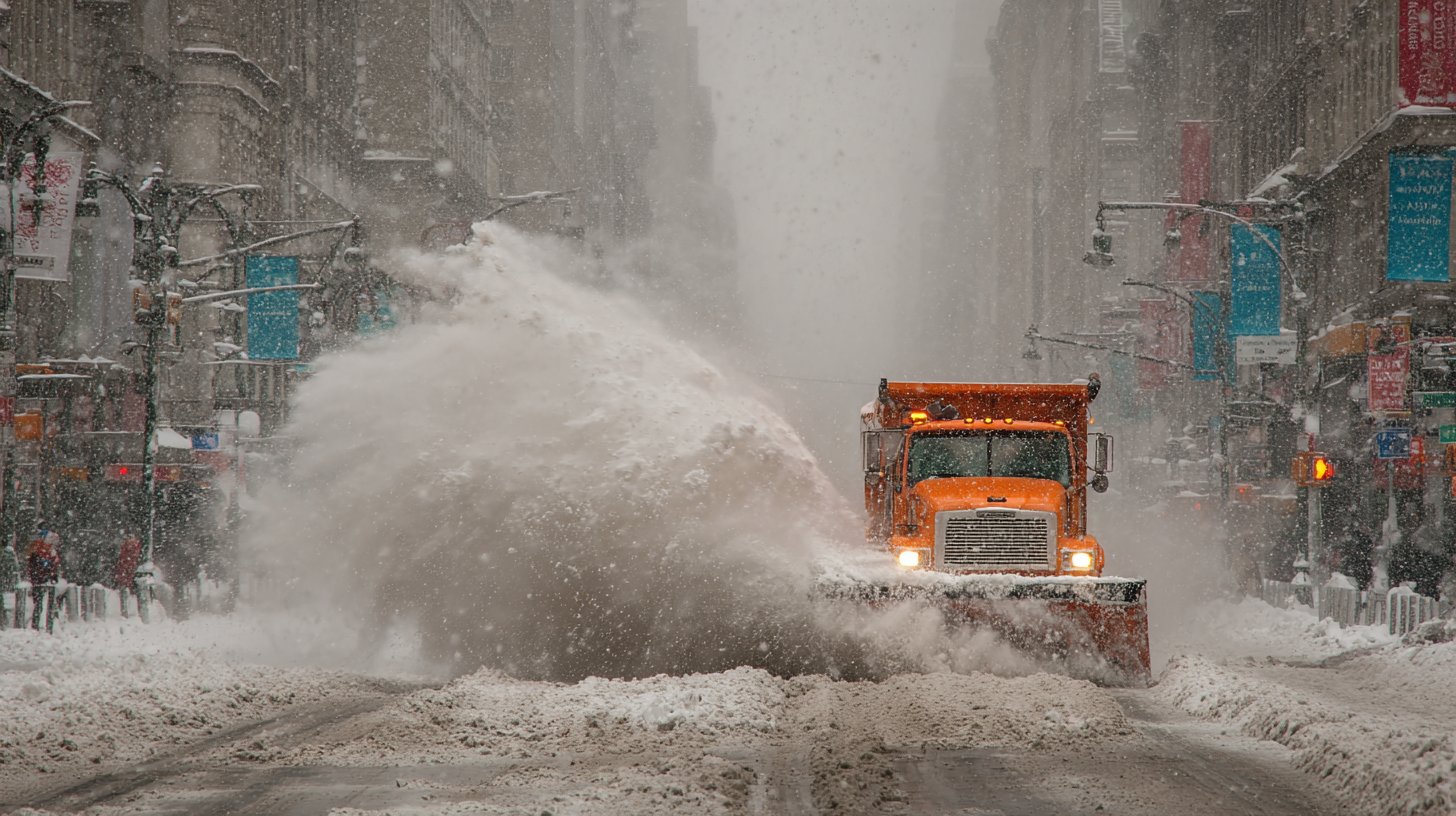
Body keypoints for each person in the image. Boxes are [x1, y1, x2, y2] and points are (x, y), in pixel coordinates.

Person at [27, 531, 60, 632]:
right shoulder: (41, 552)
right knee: (39, 604)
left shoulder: (48, 552)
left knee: (41, 604)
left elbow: (52, 567)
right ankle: (37, 624)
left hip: (41, 581)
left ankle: (39, 624)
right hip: (39, 581)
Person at [115, 534, 142, 618]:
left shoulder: (127, 548)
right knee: (127, 592)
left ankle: (126, 612)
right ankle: (128, 612)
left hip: (128, 574)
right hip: (129, 574)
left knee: (126, 592)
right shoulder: (135, 547)